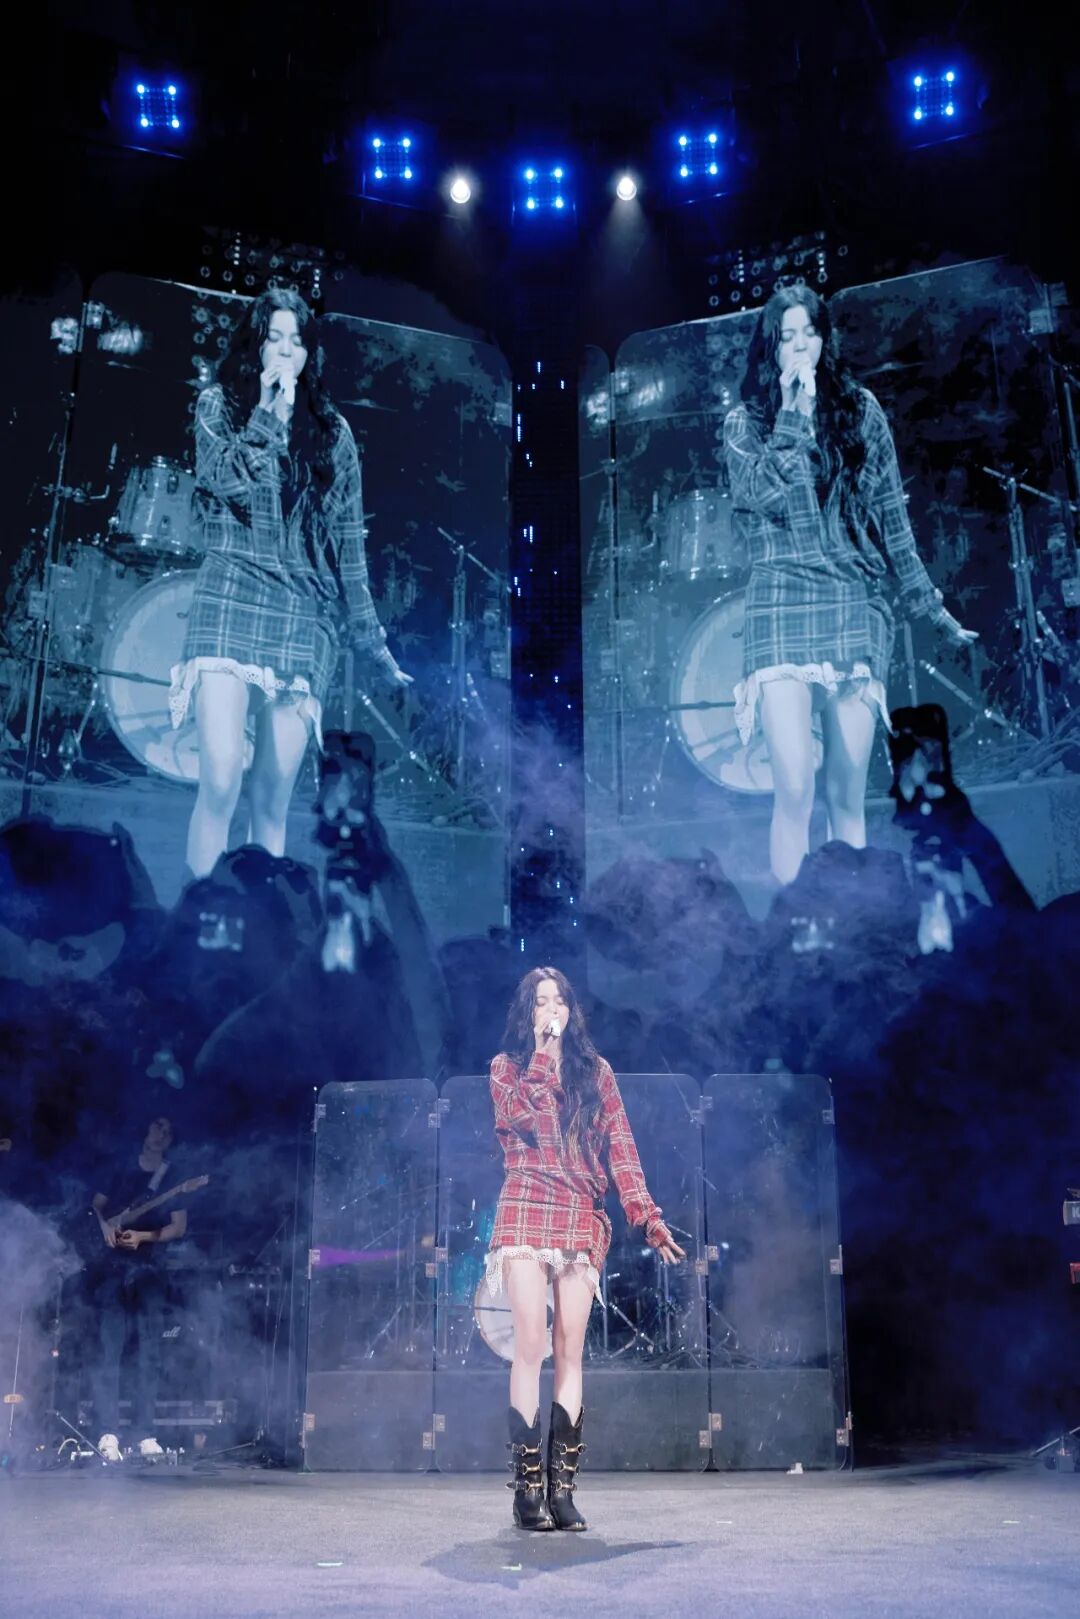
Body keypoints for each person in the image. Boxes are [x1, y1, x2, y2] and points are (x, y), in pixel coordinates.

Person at [723, 286, 977, 885]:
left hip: (851, 601)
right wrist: (793, 417)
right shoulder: (745, 423)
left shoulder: (861, 411)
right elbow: (760, 496)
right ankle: (796, 923)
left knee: (845, 790)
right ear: (770, 348)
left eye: (809, 332)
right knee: (794, 785)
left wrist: (930, 607)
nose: (800, 346)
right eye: (787, 336)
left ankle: (853, 926)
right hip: (780, 597)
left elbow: (892, 517)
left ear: (824, 340)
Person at [170, 287, 412, 878]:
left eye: (297, 341)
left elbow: (349, 547)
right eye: (274, 338)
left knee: (271, 798)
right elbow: (223, 478)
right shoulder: (218, 406)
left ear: (310, 354)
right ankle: (198, 914)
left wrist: (374, 644)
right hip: (230, 591)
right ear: (255, 347)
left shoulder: (333, 433)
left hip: (303, 614)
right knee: (220, 777)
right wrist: (268, 418)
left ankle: (263, 919)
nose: (285, 351)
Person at [486, 967, 685, 1531]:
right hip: (526, 1202)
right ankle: (527, 1491)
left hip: (578, 1212)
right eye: (539, 1002)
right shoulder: (505, 1070)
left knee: (569, 1347)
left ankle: (562, 1490)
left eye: (558, 1001)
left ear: (572, 1011)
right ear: (526, 1013)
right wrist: (543, 1055)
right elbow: (521, 1117)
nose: (550, 1010)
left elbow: (622, 1150)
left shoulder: (597, 1074)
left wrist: (647, 1218)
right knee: (530, 1343)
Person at [82, 1116, 196, 1462]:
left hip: (149, 1270)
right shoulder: (120, 1165)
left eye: (168, 1131)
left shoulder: (172, 1177)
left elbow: (178, 1227)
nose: (161, 1134)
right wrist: (103, 1226)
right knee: (110, 1348)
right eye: (157, 1127)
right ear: (145, 1131)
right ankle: (107, 1432)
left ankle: (145, 1433)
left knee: (149, 1352)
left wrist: (144, 1237)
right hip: (111, 1269)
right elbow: (94, 1206)